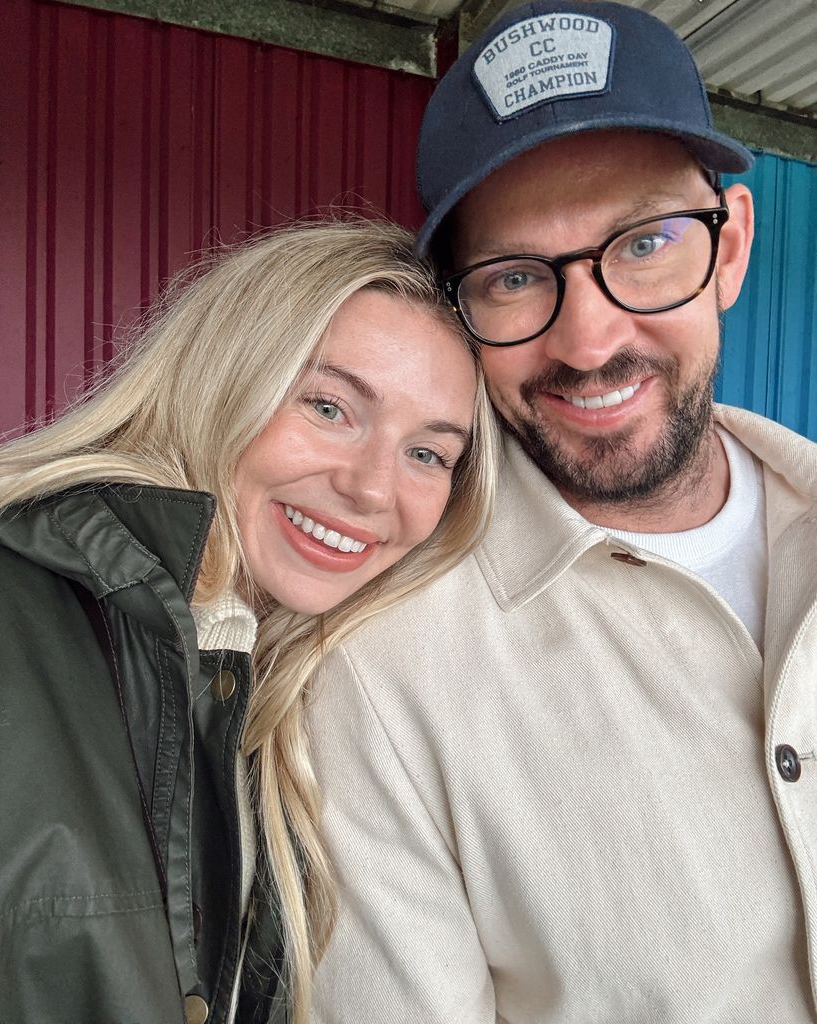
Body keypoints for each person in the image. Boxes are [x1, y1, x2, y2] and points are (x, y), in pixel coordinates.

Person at [307, 3, 817, 1021]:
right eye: (513, 277)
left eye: (643, 244)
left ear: (729, 249)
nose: (587, 341)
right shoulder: (381, 678)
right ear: (458, 313)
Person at [0, 220, 498, 1024]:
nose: (373, 490)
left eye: (428, 453)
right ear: (223, 377)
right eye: (329, 406)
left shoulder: (278, 686)